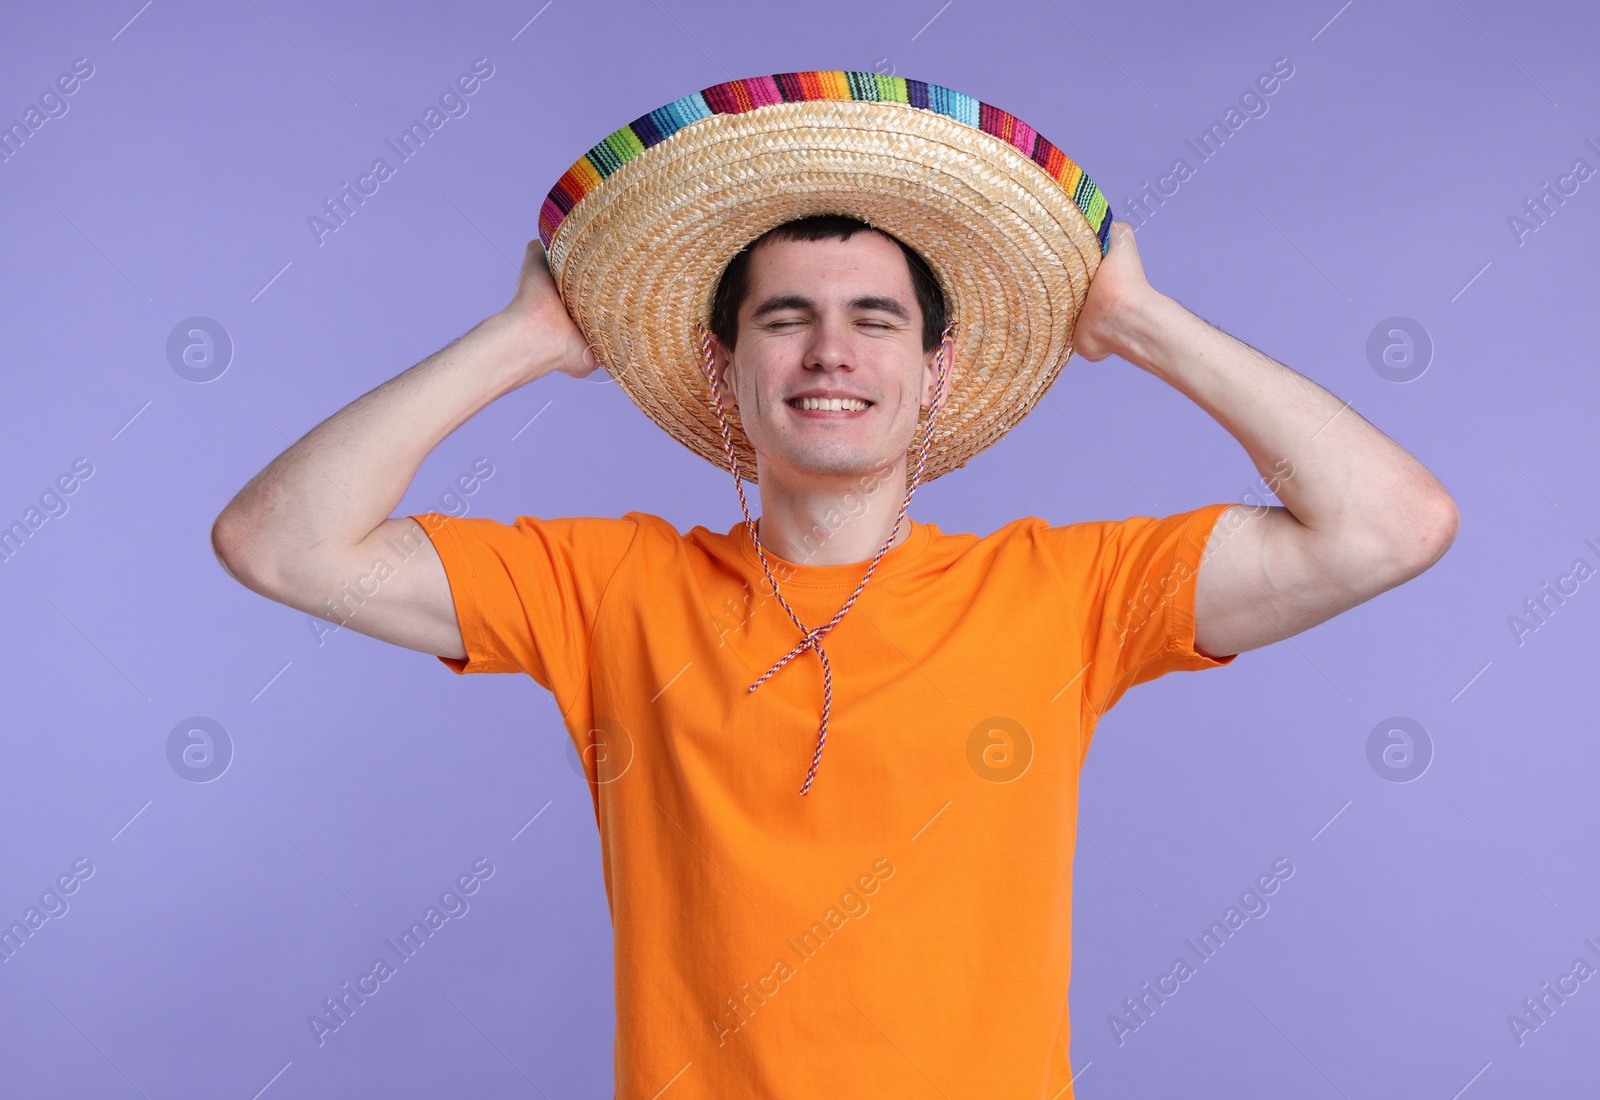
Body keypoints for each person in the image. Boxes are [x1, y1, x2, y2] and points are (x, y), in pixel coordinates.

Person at [212, 72, 1457, 1099]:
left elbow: (1390, 525)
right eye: (783, 318)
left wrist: (1139, 321)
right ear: (727, 363)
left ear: (936, 367)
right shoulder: (607, 585)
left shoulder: (1062, 590)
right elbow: (279, 543)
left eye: (874, 317)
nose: (830, 351)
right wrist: (525, 340)